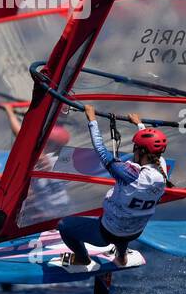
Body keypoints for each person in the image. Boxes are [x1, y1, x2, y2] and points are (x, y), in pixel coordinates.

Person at [57, 104, 168, 268]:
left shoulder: (129, 175)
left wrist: (91, 119)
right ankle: (122, 257)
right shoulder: (162, 170)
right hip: (135, 232)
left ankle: (83, 259)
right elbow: (150, 147)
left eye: (136, 148)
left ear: (141, 151)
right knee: (125, 221)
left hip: (106, 233)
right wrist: (139, 125)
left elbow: (101, 150)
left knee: (64, 225)